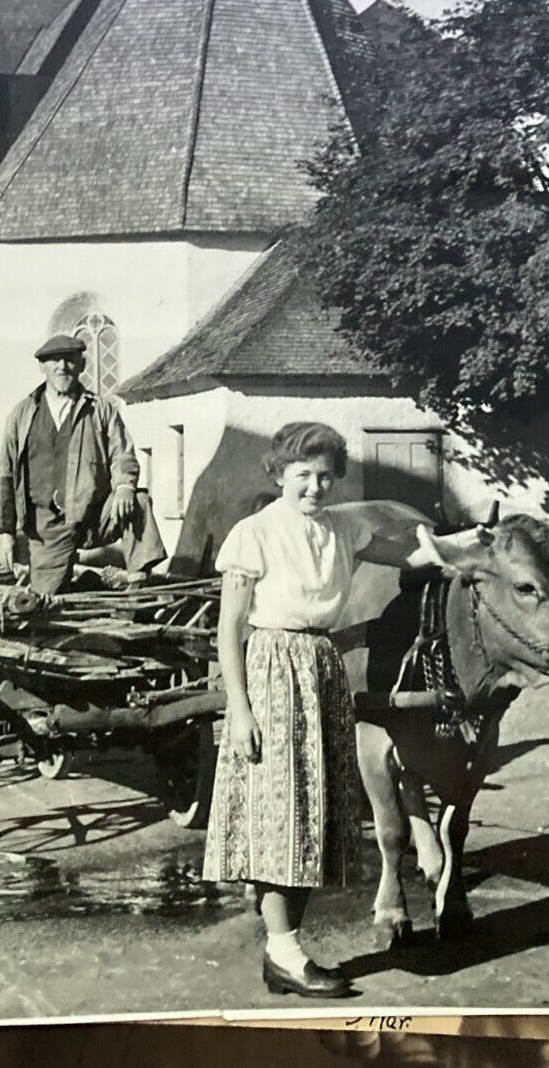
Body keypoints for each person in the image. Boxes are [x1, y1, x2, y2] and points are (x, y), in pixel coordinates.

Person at [202, 420, 478, 999]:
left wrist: (483, 546)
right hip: (273, 667)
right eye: (303, 475)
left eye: (326, 477)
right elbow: (229, 631)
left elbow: (414, 553)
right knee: (281, 814)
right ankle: (284, 952)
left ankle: (286, 949)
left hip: (322, 666)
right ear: (279, 474)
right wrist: (242, 711)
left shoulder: (343, 528)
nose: (315, 487)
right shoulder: (253, 535)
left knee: (313, 814)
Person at [0, 334, 166, 595]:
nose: (62, 367)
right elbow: (6, 473)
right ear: (42, 367)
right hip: (47, 526)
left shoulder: (100, 409)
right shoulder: (22, 415)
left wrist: (125, 486)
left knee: (137, 502)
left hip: (95, 515)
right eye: (54, 361)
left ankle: (137, 587)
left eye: (70, 360)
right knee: (45, 599)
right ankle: (86, 584)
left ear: (81, 365)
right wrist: (5, 531)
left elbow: (122, 453)